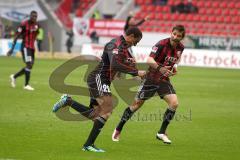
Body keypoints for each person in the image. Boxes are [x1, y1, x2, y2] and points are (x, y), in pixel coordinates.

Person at [52, 27, 146, 152]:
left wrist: (136, 75)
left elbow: (121, 66)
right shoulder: (115, 44)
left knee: (95, 114)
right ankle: (88, 145)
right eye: (136, 41)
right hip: (98, 78)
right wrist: (136, 71)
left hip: (104, 80)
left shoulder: (124, 49)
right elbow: (115, 64)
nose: (136, 44)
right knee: (107, 108)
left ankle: (69, 101)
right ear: (132, 36)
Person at [112, 25, 185, 144]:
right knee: (136, 105)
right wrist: (160, 68)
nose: (175, 37)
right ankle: (118, 128)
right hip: (151, 78)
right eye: (174, 34)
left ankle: (161, 132)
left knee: (174, 103)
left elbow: (177, 58)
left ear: (182, 37)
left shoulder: (181, 47)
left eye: (179, 36)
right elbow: (149, 60)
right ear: (171, 32)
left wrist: (175, 66)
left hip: (164, 80)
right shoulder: (161, 44)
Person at [7, 10, 39, 91]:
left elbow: (36, 35)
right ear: (30, 16)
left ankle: (14, 77)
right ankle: (26, 85)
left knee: (30, 66)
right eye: (33, 16)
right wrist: (12, 49)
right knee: (29, 64)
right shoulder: (24, 24)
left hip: (32, 48)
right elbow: (16, 36)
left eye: (36, 16)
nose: (34, 18)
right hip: (25, 47)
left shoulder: (37, 25)